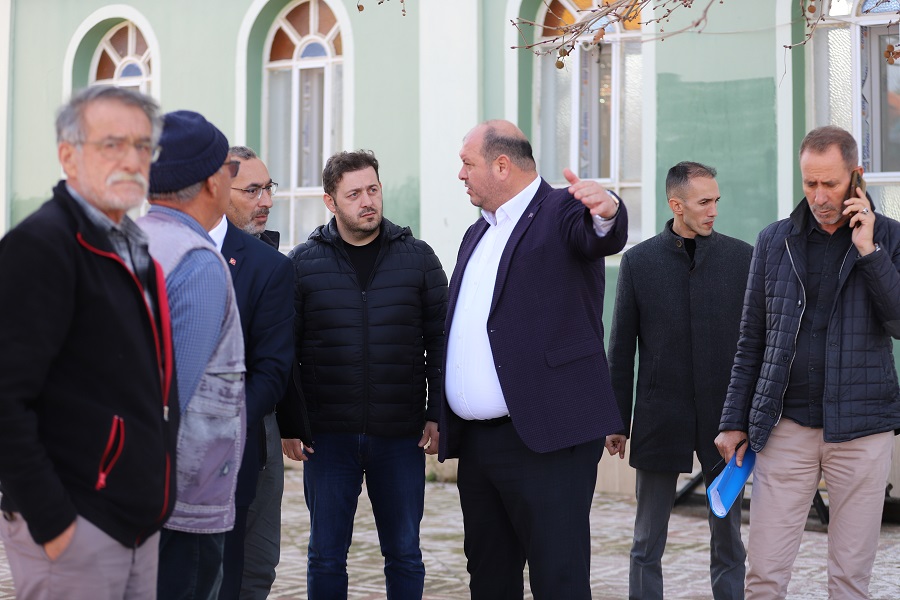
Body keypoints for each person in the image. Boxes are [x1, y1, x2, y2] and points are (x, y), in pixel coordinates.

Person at [0, 85, 178, 600]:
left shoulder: (132, 244)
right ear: (68, 155)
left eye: (143, 146)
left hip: (135, 521)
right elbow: (5, 400)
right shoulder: (42, 246)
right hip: (77, 526)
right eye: (112, 145)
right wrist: (54, 524)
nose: (132, 159)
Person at [438, 119, 628, 599]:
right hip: (481, 447)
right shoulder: (475, 235)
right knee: (489, 579)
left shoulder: (561, 211)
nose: (460, 174)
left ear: (502, 165)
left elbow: (599, 235)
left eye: (467, 163)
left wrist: (608, 211)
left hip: (548, 440)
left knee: (558, 580)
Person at [716, 125, 900, 600]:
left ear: (856, 177)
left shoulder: (890, 239)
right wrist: (735, 420)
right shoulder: (773, 240)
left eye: (831, 184)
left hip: (862, 431)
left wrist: (869, 251)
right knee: (765, 574)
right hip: (785, 428)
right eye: (809, 184)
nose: (819, 196)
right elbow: (751, 339)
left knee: (849, 579)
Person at [279, 149, 448, 599]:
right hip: (328, 438)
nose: (367, 201)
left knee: (405, 554)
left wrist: (437, 413)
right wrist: (292, 423)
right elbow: (286, 351)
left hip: (400, 435)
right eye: (354, 194)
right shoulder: (302, 264)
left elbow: (443, 342)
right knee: (326, 556)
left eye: (373, 189)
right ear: (330, 201)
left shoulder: (419, 259)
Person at [606, 162, 751, 600]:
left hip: (724, 423)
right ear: (677, 205)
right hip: (658, 416)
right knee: (646, 540)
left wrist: (747, 416)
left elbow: (756, 343)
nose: (713, 211)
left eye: (716, 201)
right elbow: (621, 348)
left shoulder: (742, 258)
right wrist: (616, 420)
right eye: (704, 202)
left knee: (729, 539)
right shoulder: (638, 262)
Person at [138, 110, 246, 600]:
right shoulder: (195, 262)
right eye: (229, 167)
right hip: (178, 503)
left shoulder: (128, 239)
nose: (233, 178)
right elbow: (168, 397)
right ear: (209, 182)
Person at [212, 146, 293, 600]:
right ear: (219, 192)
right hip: (182, 440)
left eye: (269, 189)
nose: (265, 201)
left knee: (256, 565)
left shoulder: (273, 265)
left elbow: (276, 364)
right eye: (253, 190)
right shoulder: (174, 250)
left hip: (253, 430)